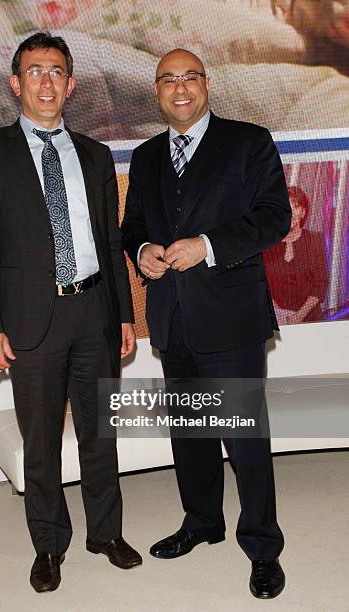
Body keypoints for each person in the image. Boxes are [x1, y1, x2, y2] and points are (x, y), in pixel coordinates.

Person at [0, 31, 141, 594]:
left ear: (71, 84)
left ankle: (105, 533)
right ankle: (49, 543)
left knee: (100, 435)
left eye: (57, 71)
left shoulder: (93, 153)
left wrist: (125, 315)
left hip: (94, 313)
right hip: (30, 322)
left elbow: (109, 244)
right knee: (41, 442)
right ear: (16, 83)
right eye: (35, 71)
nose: (46, 81)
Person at [122, 48, 291, 599]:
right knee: (190, 434)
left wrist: (209, 246)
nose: (179, 89)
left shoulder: (249, 141)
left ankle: (263, 547)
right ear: (156, 90)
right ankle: (201, 522)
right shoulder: (146, 156)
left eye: (189, 78)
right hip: (172, 317)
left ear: (206, 84)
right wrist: (143, 249)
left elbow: (273, 217)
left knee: (245, 440)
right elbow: (134, 226)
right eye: (167, 80)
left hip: (232, 318)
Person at [264, 186, 329, 324]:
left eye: (295, 206)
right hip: (279, 320)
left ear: (303, 212)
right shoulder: (268, 245)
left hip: (310, 320)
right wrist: (275, 310)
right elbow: (263, 282)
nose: (290, 212)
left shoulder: (315, 240)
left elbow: (321, 284)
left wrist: (299, 316)